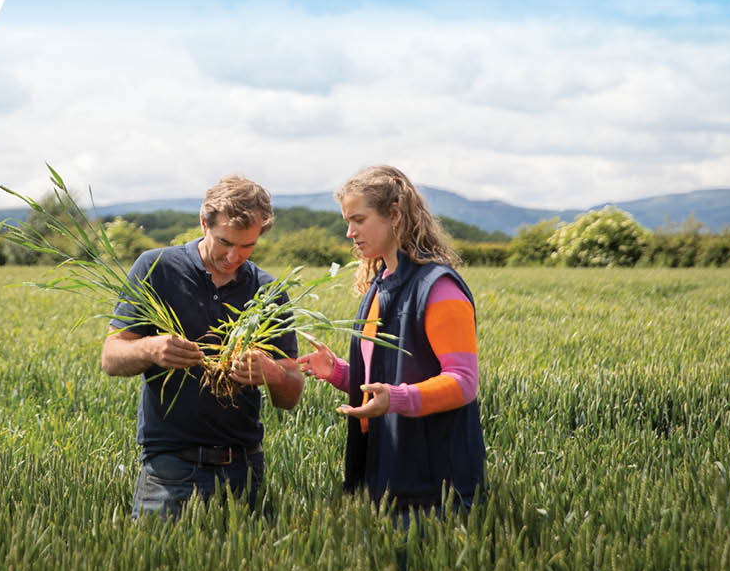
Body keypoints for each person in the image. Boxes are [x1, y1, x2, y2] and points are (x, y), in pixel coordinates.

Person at [100, 175, 303, 519]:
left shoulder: (269, 291)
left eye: (247, 246)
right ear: (203, 223)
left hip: (244, 466)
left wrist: (270, 373)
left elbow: (292, 393)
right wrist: (152, 349)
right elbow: (111, 357)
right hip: (170, 468)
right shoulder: (156, 268)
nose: (233, 256)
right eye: (225, 242)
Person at [299, 165, 485, 517]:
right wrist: (339, 372)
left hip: (434, 481)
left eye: (358, 219)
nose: (350, 232)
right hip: (385, 469)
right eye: (347, 221)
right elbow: (388, 372)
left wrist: (396, 399)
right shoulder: (380, 283)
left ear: (394, 215)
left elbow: (463, 382)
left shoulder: (438, 287)